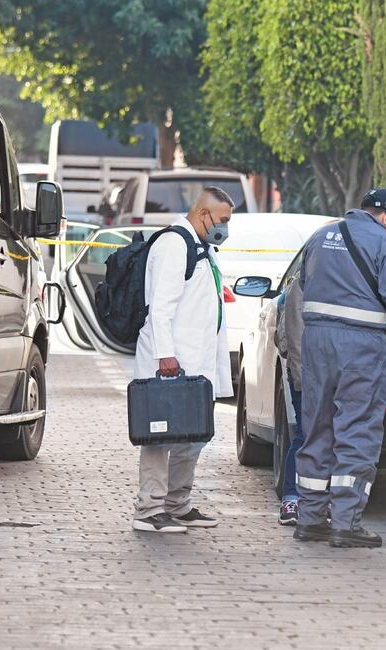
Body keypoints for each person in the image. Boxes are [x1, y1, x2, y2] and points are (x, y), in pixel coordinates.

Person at [294, 188, 386, 548]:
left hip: (316, 339)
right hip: (361, 345)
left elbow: (304, 284)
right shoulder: (385, 243)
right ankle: (345, 524)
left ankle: (310, 519)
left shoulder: (320, 236)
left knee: (317, 426)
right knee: (357, 427)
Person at [131, 187, 234, 533]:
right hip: (171, 361)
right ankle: (149, 510)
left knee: (193, 435)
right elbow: (161, 307)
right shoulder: (175, 245)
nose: (226, 227)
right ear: (204, 214)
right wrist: (166, 356)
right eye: (223, 220)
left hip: (197, 361)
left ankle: (177, 504)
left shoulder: (203, 247)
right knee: (158, 436)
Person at [275, 271, 305, 525]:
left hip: (332, 375)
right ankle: (291, 498)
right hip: (305, 374)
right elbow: (292, 337)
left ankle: (320, 501)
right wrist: (300, 376)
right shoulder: (303, 282)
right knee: (305, 435)